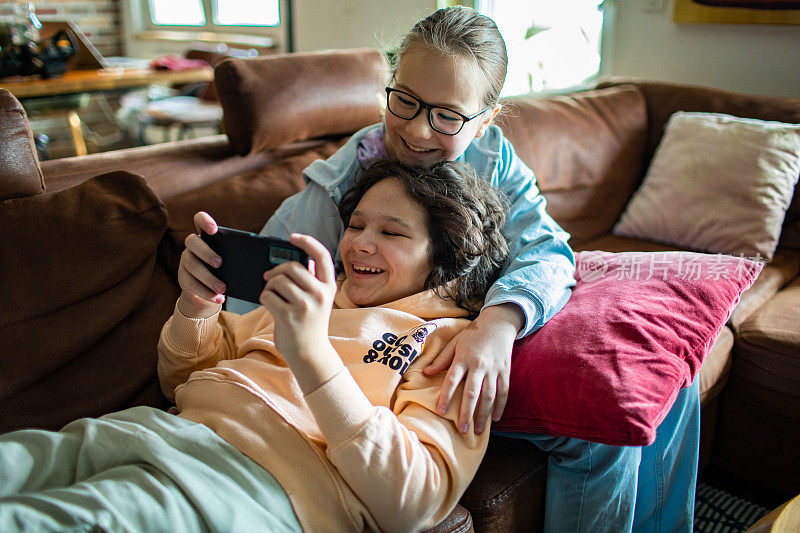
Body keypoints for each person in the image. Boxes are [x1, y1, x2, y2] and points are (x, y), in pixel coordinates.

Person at [225, 6, 700, 532]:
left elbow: (547, 252)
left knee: (669, 375)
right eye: (403, 100)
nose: (417, 130)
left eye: (448, 116)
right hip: (406, 366)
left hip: (477, 331)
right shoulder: (341, 183)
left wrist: (498, 324)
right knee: (599, 424)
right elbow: (257, 292)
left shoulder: (492, 157)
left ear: (486, 119)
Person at [0, 159, 510, 532]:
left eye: (391, 232)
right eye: (355, 225)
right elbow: (181, 377)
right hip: (152, 431)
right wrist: (198, 306)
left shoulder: (449, 350)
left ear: (447, 259)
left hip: (249, 485)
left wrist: (312, 354)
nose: (358, 244)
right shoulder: (315, 300)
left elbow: (412, 503)